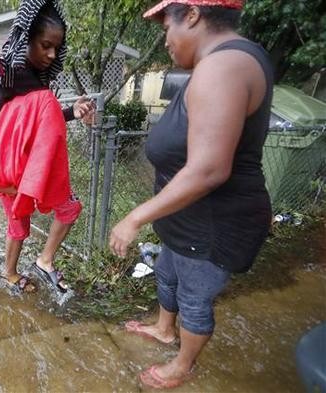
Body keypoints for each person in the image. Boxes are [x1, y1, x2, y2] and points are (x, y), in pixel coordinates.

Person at [108, 0, 273, 389]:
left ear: (194, 16)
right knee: (167, 273)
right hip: (188, 219)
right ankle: (165, 329)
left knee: (195, 298)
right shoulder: (222, 63)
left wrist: (135, 217)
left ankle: (182, 365)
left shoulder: (223, 66)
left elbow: (210, 169)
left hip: (212, 225)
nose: (166, 40)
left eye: (168, 27)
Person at [0, 0, 94, 293]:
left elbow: (38, 121)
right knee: (19, 222)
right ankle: (9, 272)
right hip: (8, 167)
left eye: (56, 48)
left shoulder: (39, 79)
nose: (51, 54)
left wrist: (73, 111)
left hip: (35, 162)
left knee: (69, 207)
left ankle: (45, 261)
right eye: (46, 45)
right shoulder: (4, 78)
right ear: (27, 40)